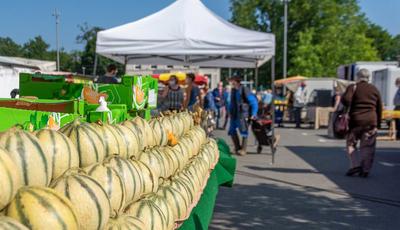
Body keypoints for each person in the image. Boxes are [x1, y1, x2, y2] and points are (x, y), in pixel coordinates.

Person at [342, 69, 382, 178]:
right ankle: (365, 170)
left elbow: (345, 101)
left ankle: (355, 166)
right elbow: (379, 108)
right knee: (368, 146)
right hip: (370, 121)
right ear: (368, 78)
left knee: (351, 144)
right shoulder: (374, 89)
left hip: (355, 121)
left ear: (357, 77)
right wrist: (377, 124)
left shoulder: (353, 87)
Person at [228, 76, 258, 156]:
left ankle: (243, 149)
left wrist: (254, 114)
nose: (230, 83)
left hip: (243, 114)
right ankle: (237, 148)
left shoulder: (245, 89)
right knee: (231, 131)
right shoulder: (233, 90)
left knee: (244, 131)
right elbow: (231, 103)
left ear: (236, 81)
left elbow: (253, 102)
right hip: (234, 114)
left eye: (232, 81)